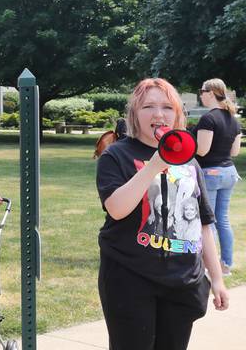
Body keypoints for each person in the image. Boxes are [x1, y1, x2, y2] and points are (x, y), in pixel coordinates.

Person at [96, 78, 228, 350]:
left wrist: (216, 279)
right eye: (148, 107)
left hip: (181, 282)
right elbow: (117, 209)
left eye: (167, 107)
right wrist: (153, 166)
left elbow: (203, 224)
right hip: (130, 278)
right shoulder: (116, 155)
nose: (158, 114)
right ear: (134, 113)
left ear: (178, 113)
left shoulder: (189, 160)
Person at [196, 78, 242, 276]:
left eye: (202, 91)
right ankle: (226, 265)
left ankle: (209, 266)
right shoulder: (233, 119)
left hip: (211, 173)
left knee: (209, 222)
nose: (200, 94)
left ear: (211, 93)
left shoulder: (209, 119)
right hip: (229, 172)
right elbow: (234, 152)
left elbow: (203, 151)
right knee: (222, 220)